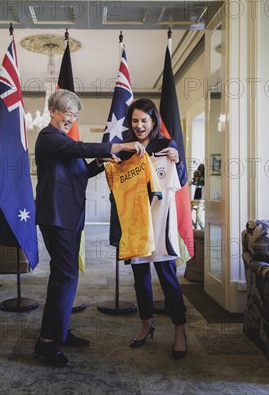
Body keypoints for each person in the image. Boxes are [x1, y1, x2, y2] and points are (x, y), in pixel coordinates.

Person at [34, 89, 145, 367]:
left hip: (68, 218)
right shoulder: (48, 137)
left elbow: (77, 173)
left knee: (64, 277)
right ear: (53, 112)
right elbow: (78, 148)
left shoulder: (61, 141)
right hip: (57, 219)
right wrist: (116, 147)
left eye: (74, 115)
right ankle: (47, 343)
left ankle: (58, 332)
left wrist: (98, 163)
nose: (71, 119)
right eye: (67, 113)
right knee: (65, 277)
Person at [116, 98, 189, 360]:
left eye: (144, 121)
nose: (139, 126)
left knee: (168, 279)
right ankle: (146, 324)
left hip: (160, 222)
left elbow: (180, 180)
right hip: (135, 223)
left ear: (153, 121)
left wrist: (177, 160)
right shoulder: (126, 149)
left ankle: (180, 330)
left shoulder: (166, 146)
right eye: (135, 121)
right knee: (140, 280)